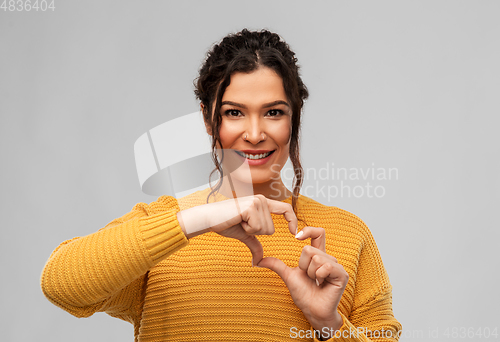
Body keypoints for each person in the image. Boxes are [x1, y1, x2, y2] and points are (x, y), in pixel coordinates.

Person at [41, 29, 402, 341]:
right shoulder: (165, 223)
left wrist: (328, 324)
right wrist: (199, 219)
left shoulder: (348, 236)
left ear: (294, 118)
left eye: (274, 112)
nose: (255, 133)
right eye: (234, 113)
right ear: (208, 120)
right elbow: (60, 283)